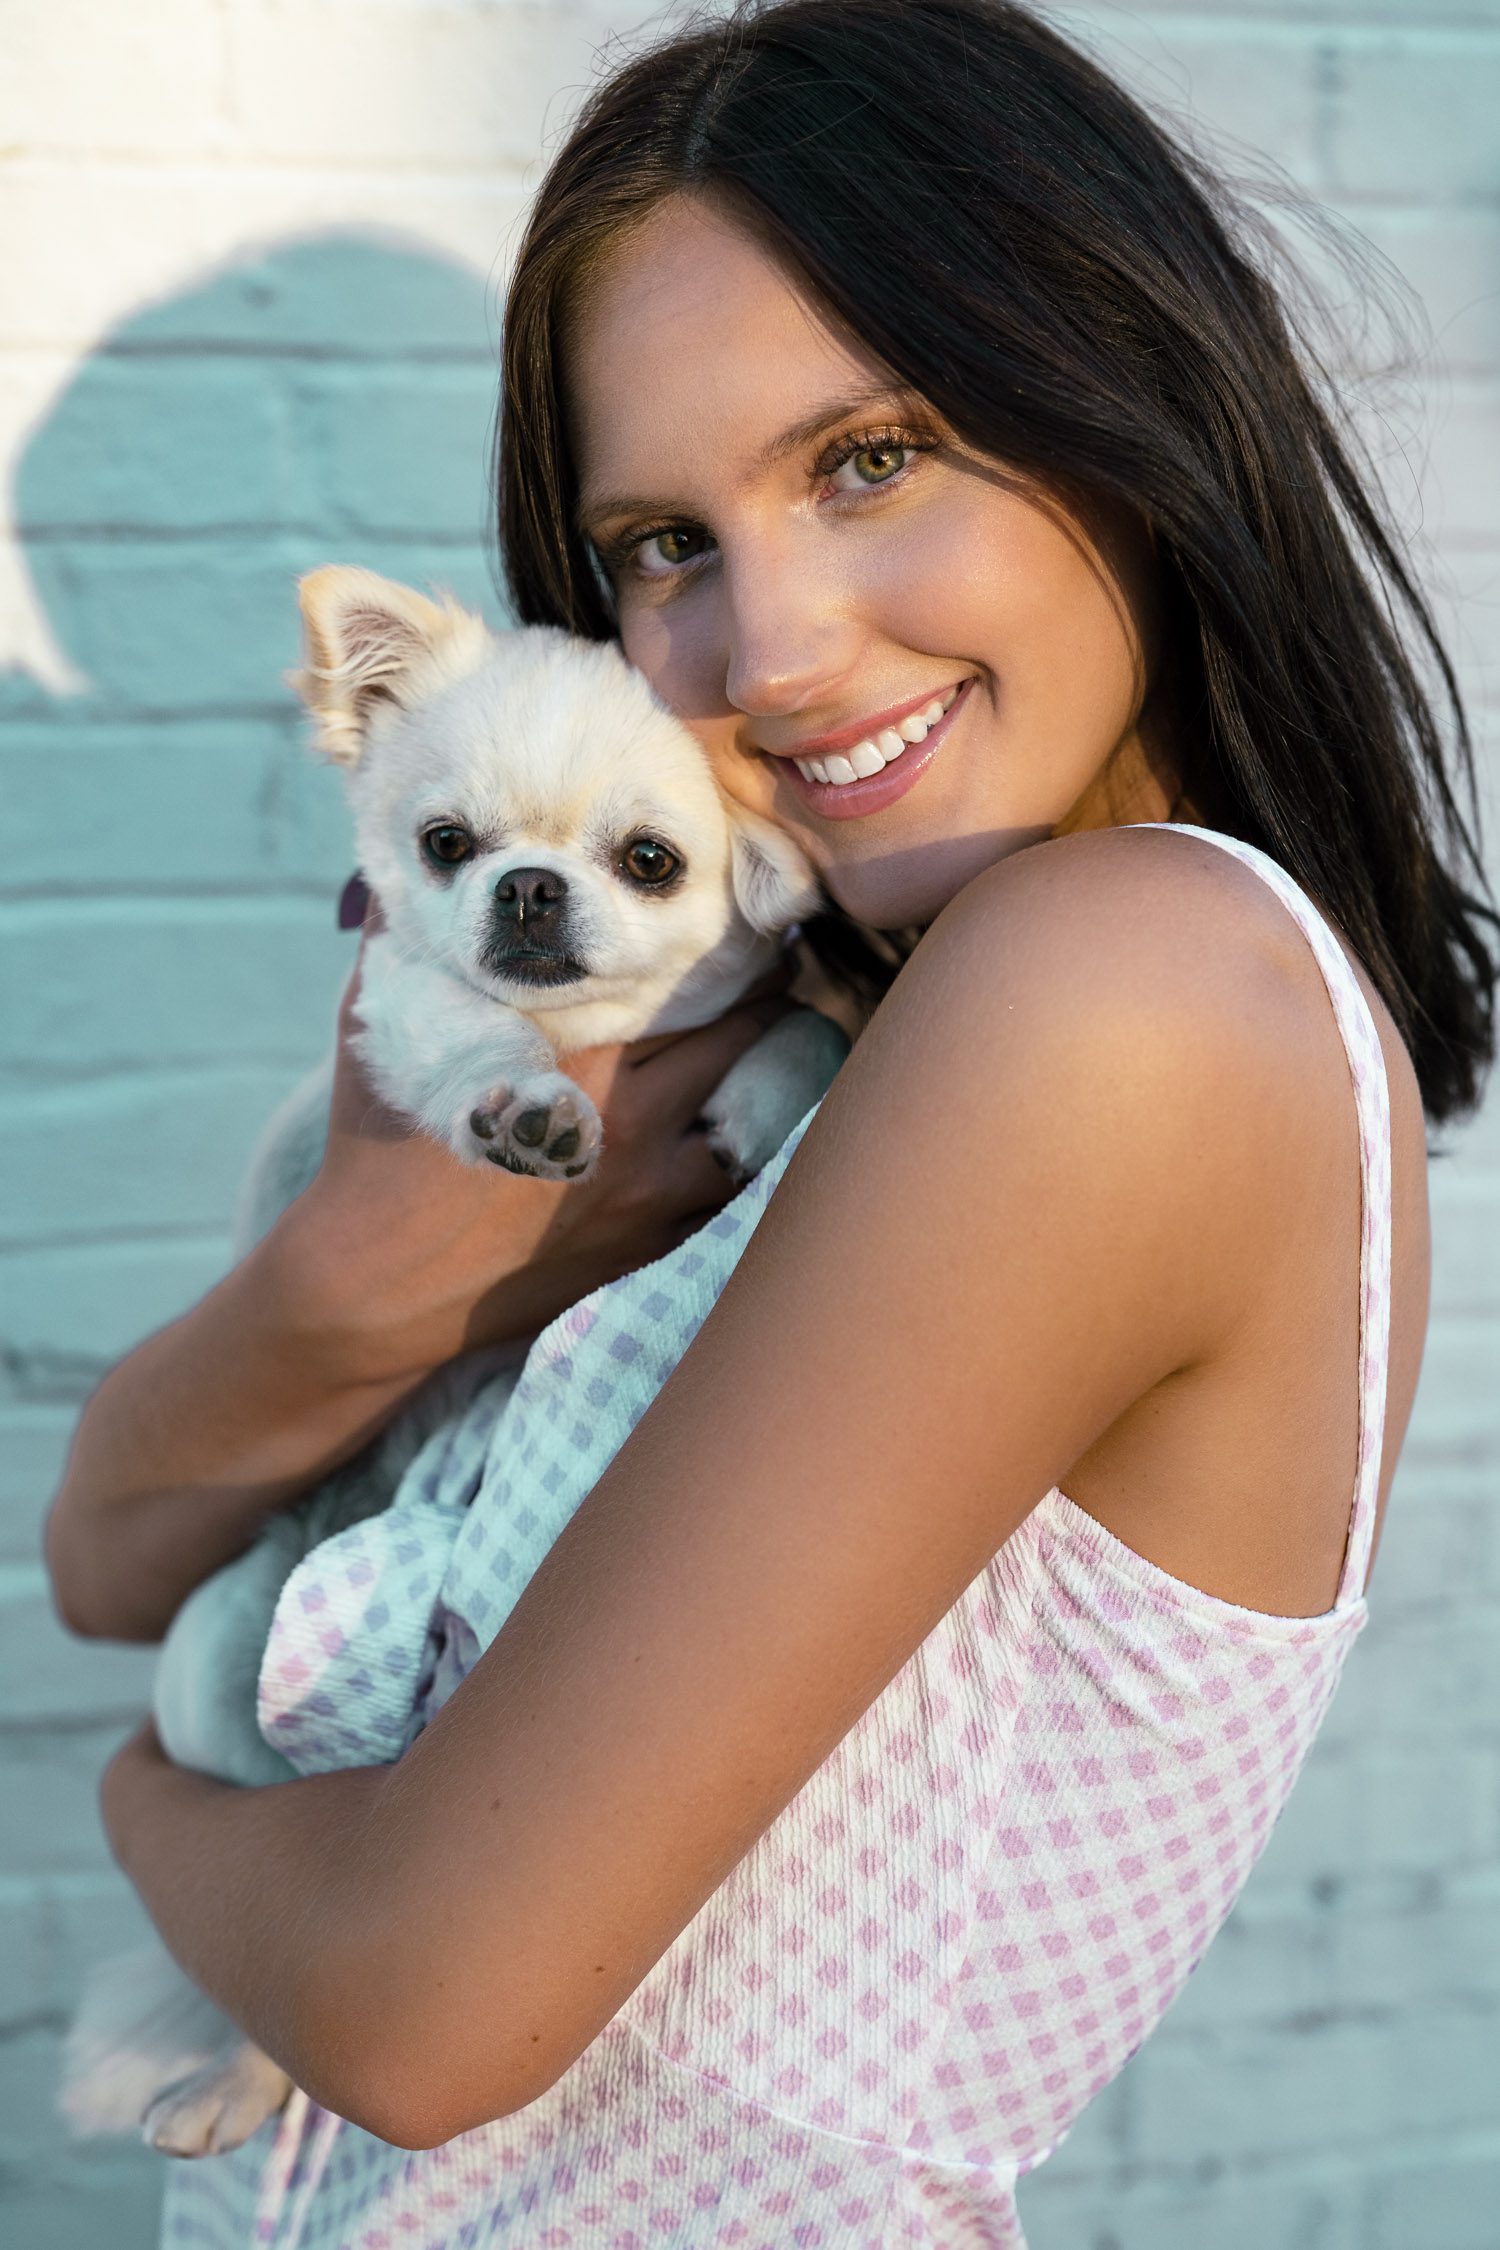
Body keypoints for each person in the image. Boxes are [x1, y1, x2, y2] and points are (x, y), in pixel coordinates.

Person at [45, 1, 1497, 2243]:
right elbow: (107, 1558)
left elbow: (423, 2005)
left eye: (872, 456)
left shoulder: (1126, 989)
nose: (772, 647)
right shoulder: (825, 1049)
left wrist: (144, 1802)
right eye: (659, 542)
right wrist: (380, 1242)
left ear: (1125, 395)